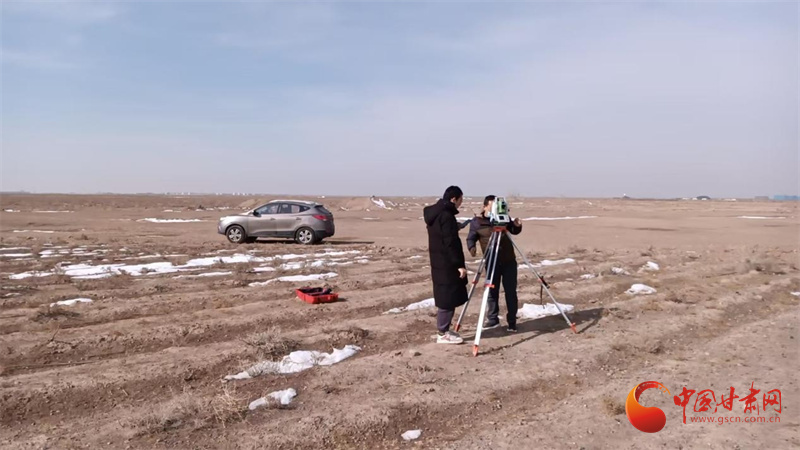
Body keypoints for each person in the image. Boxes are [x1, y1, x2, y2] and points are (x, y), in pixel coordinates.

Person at [466, 195, 522, 332]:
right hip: (492, 261)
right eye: (492, 206)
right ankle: (492, 319)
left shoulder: (504, 219)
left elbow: (514, 231)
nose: (495, 209)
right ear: (485, 206)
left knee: (510, 292)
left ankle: (512, 321)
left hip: (508, 261)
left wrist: (517, 225)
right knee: (492, 290)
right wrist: (472, 248)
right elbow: (471, 237)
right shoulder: (477, 222)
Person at [423, 185, 469, 344]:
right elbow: (450, 243)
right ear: (454, 199)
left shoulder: (436, 213)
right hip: (447, 264)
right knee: (448, 298)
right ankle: (443, 333)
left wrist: (456, 226)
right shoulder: (446, 216)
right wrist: (459, 265)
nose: (461, 203)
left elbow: (441, 233)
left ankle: (444, 330)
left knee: (445, 296)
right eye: (461, 200)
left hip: (439, 262)